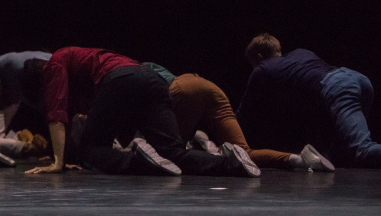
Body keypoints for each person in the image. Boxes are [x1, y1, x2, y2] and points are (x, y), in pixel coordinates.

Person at [25, 47, 260, 178]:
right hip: (151, 79)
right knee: (172, 153)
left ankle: (141, 163)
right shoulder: (81, 67)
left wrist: (58, 162)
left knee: (91, 149)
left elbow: (56, 113)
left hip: (122, 78)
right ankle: (232, 164)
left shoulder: (54, 63)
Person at [143, 63, 332, 171]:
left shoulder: (142, 68)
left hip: (183, 86)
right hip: (211, 87)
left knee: (171, 152)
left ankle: (220, 158)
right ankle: (301, 159)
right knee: (245, 151)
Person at [238, 33, 381, 168]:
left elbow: (245, 112)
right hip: (356, 78)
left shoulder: (262, 70)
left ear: (258, 56)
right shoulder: (301, 53)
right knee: (342, 154)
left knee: (362, 150)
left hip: (338, 87)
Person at [0, 50, 53, 158]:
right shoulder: (24, 92)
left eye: (3, 104)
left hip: (54, 66)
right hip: (49, 65)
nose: (5, 108)